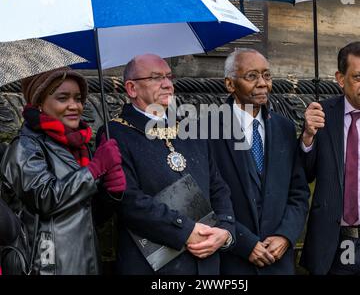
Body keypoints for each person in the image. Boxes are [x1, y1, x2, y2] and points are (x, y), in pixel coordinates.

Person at [100, 53, 235, 275]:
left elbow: (218, 187)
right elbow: (129, 201)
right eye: (156, 78)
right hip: (153, 267)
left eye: (169, 77)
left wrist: (225, 231)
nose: (167, 85)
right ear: (132, 88)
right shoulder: (115, 133)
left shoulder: (192, 129)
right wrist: (185, 229)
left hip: (207, 263)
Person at [0, 67, 126, 275]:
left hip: (87, 263)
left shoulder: (80, 147)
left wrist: (111, 193)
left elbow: (89, 214)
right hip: (46, 265)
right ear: (39, 103)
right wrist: (93, 171)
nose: (74, 106)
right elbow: (45, 198)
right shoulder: (25, 147)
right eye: (63, 98)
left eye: (78, 98)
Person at [300, 41, 360, 275]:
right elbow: (304, 174)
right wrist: (307, 137)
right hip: (333, 244)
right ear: (341, 78)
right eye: (359, 76)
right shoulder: (321, 115)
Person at [209, 48, 310, 274]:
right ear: (230, 84)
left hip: (278, 262)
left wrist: (285, 235)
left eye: (267, 75)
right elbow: (205, 199)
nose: (263, 83)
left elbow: (299, 192)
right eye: (252, 76)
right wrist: (244, 243)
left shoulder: (284, 128)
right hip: (231, 263)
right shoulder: (207, 129)